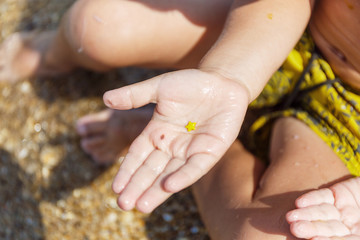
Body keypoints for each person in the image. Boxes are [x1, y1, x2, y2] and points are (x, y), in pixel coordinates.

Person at [1, 0, 360, 239]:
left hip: (347, 125)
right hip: (283, 34)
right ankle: (51, 52)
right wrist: (230, 73)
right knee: (97, 27)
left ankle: (188, 140)